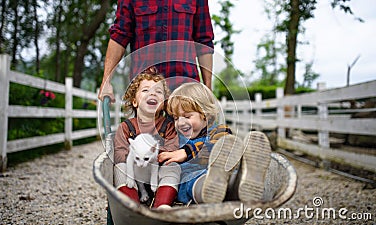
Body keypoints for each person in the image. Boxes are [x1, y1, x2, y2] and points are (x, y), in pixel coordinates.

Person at [158, 82, 272, 204]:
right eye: (176, 118)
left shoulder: (218, 132)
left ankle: (247, 180)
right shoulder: (176, 138)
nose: (180, 123)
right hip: (194, 180)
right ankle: (216, 190)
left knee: (229, 168)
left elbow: (223, 145)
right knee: (194, 183)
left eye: (187, 116)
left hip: (225, 175)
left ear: (205, 115)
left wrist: (187, 152)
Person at [98, 0, 215, 102]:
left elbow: (204, 41)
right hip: (145, 88)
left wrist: (208, 89)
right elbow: (120, 35)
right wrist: (106, 82)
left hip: (185, 89)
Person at [113, 67, 181, 208]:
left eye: (158, 92)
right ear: (134, 102)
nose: (152, 94)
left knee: (173, 166)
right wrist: (136, 153)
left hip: (158, 172)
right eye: (145, 90)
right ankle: (132, 206)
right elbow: (119, 153)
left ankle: (161, 205)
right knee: (120, 167)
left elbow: (172, 148)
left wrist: (152, 153)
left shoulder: (167, 126)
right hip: (135, 173)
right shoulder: (126, 127)